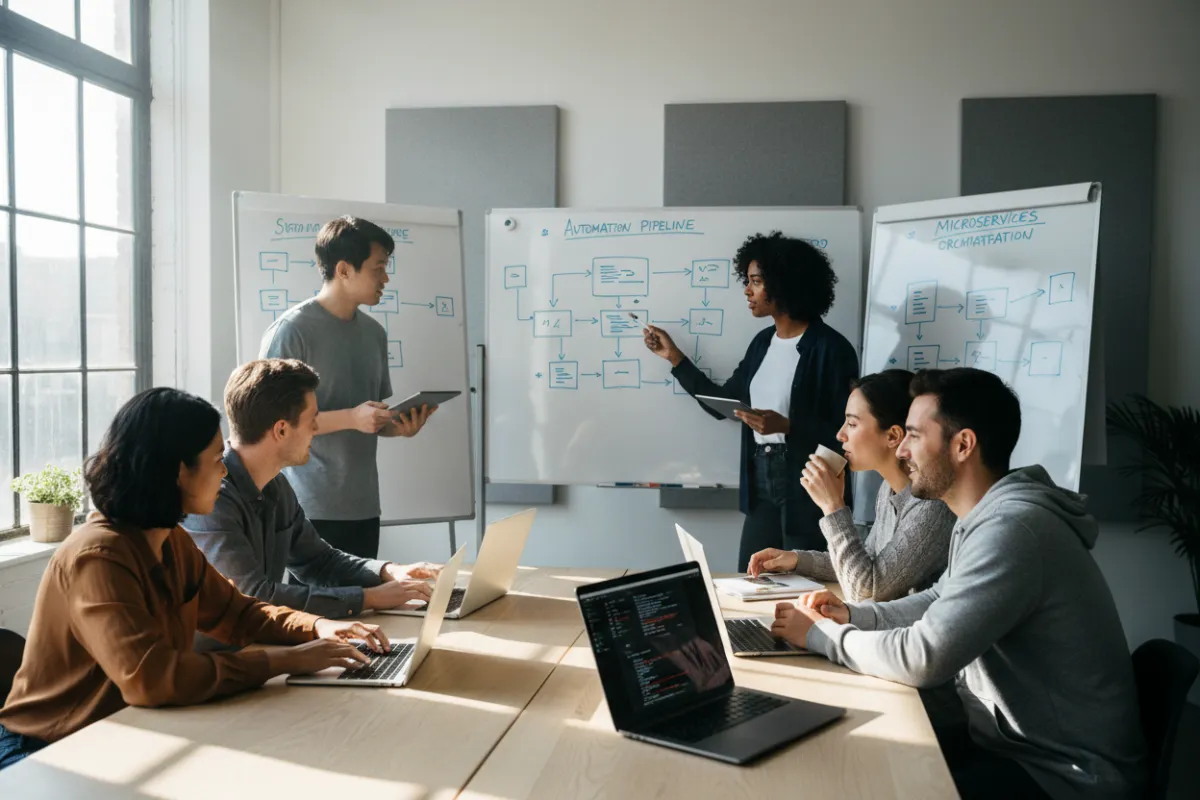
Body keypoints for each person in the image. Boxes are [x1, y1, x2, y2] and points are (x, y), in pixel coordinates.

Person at [770, 368, 1148, 800]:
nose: (903, 450)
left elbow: (924, 656)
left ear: (963, 445)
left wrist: (824, 636)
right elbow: (937, 598)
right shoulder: (986, 517)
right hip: (1010, 746)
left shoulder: (1013, 530)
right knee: (854, 763)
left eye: (914, 435)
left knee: (865, 780)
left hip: (1062, 775)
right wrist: (853, 615)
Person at [0, 388, 388, 770]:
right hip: (43, 753)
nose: (224, 470)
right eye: (217, 459)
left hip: (119, 737)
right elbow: (150, 679)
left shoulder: (170, 540)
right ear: (178, 471)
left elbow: (239, 614)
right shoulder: (98, 557)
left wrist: (318, 627)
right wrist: (283, 660)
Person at [643, 231, 858, 571]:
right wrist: (675, 358)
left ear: (784, 285)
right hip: (760, 481)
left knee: (805, 582)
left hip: (808, 483)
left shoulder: (832, 349)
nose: (747, 290)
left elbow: (849, 434)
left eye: (756, 281)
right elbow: (723, 404)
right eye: (748, 281)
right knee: (752, 576)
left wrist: (787, 426)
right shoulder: (761, 344)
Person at [183, 359, 443, 627]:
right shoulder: (213, 499)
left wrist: (390, 572)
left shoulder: (276, 486)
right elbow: (254, 596)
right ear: (281, 430)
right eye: (312, 420)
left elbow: (319, 562)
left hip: (261, 642)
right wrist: (369, 598)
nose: (317, 429)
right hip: (227, 649)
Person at [259, 216, 435, 559]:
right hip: (305, 508)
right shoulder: (291, 331)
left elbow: (368, 421)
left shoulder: (374, 334)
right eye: (378, 268)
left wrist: (397, 427)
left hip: (363, 507)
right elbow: (271, 423)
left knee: (368, 594)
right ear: (343, 270)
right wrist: (353, 418)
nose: (385, 278)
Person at [746, 369, 955, 602]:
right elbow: (867, 562)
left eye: (852, 424)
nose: (840, 434)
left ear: (893, 436)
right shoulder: (888, 489)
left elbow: (866, 590)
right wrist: (796, 560)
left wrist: (833, 507)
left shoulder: (932, 505)